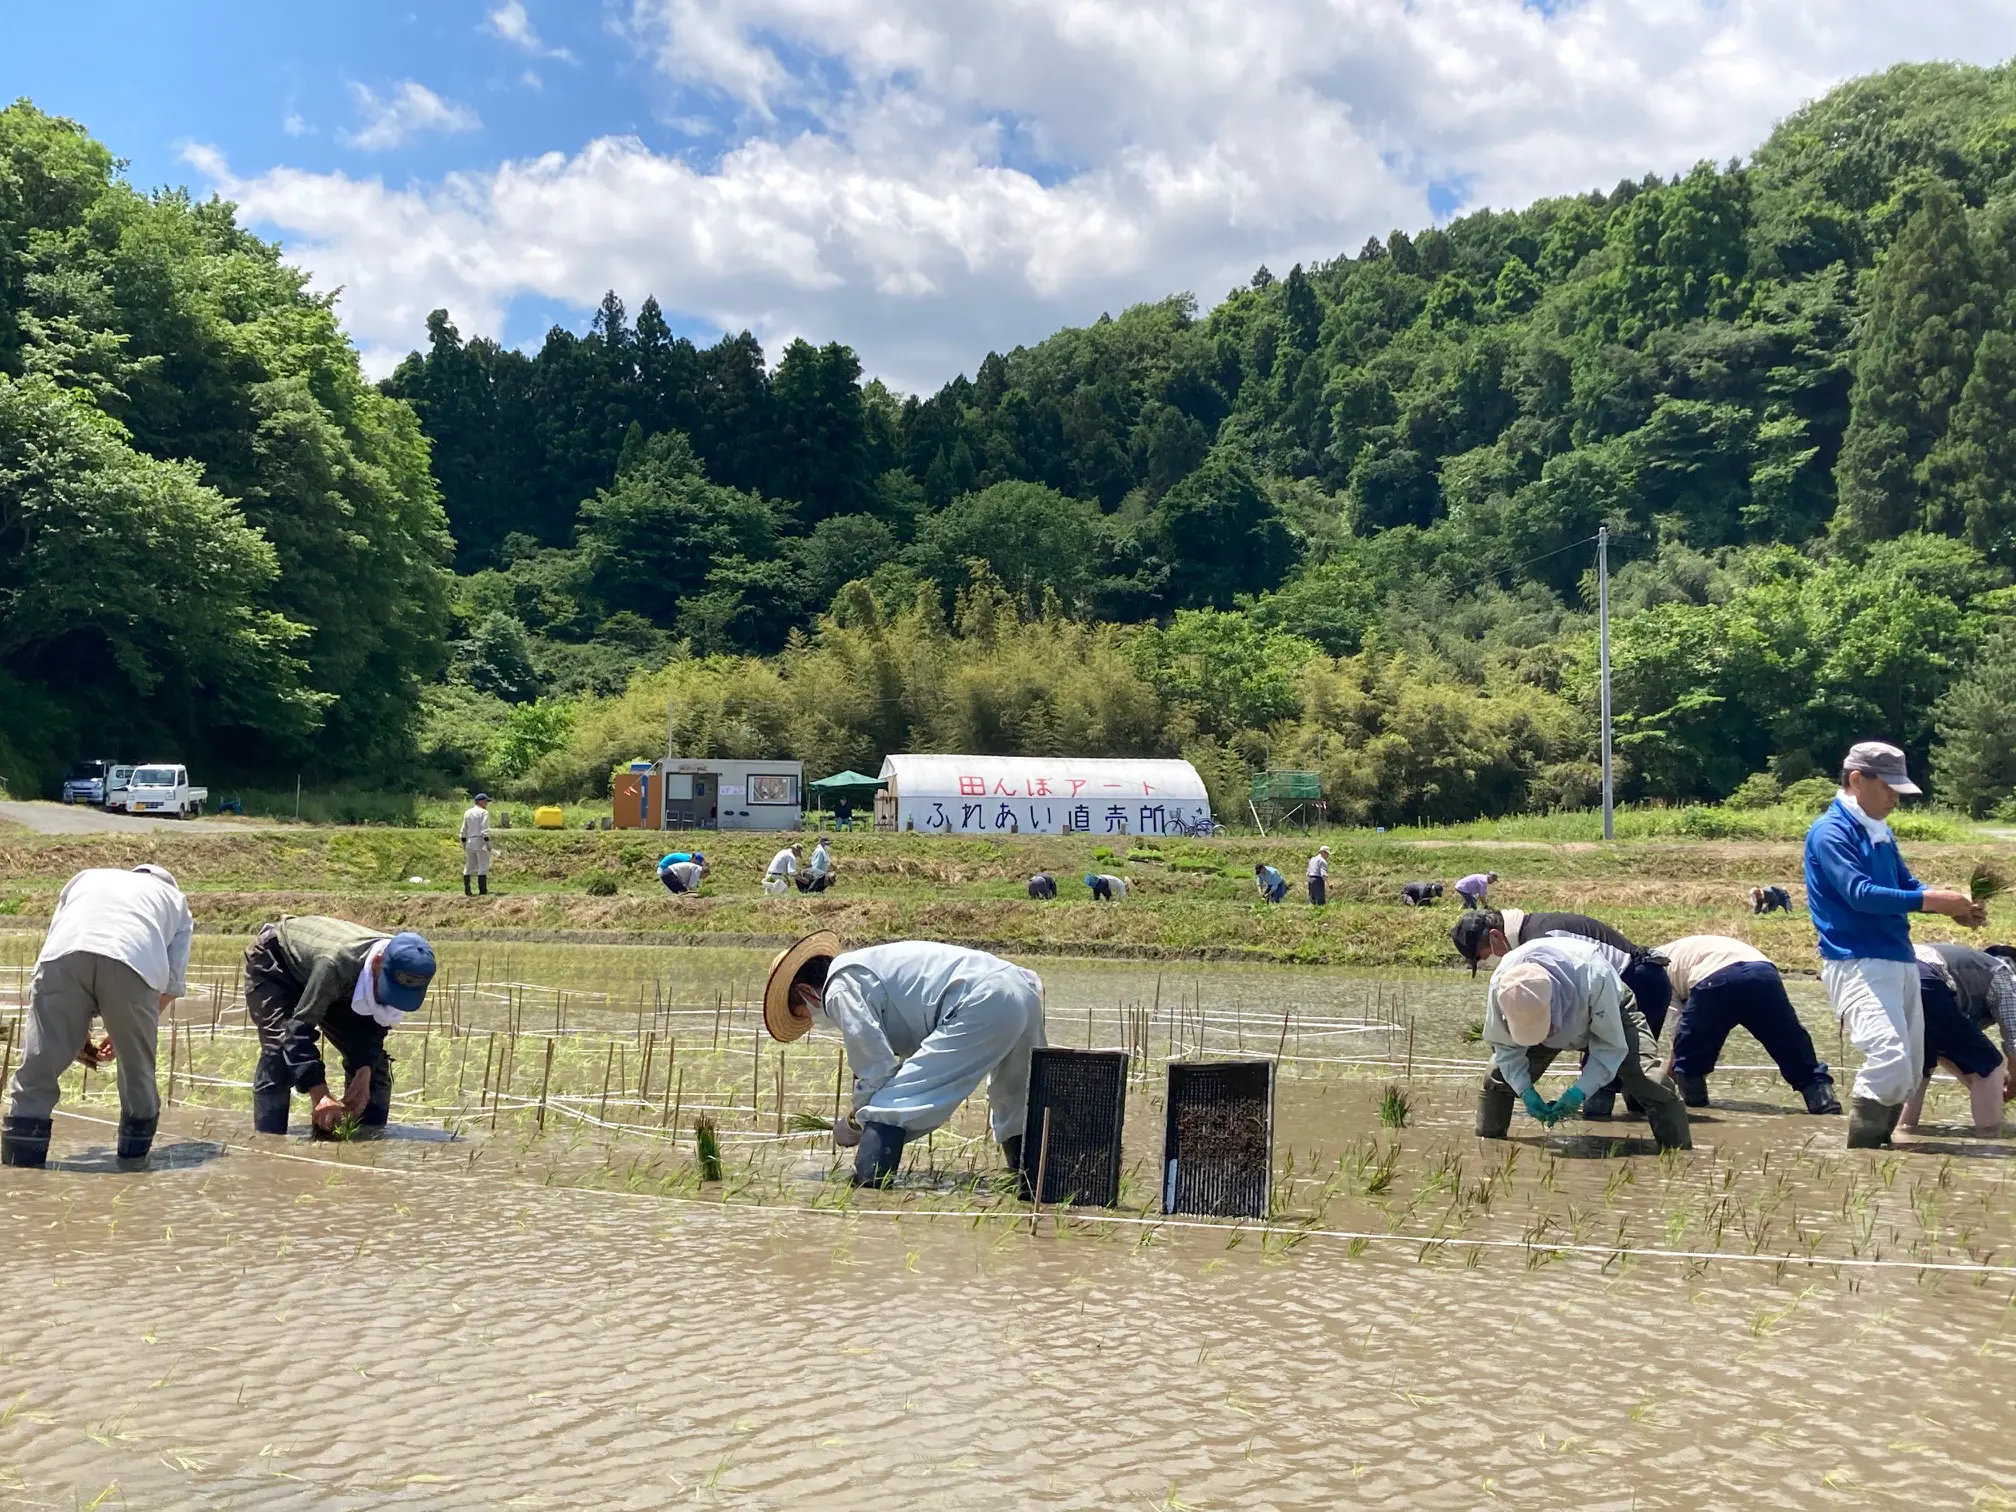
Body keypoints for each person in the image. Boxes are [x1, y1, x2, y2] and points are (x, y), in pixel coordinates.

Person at [1804, 741, 1983, 1148]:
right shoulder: (1831, 832)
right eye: (1889, 789)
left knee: (1908, 1071)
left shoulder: (1878, 831)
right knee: (1887, 1059)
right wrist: (1930, 900)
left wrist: (1951, 907)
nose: (1895, 799)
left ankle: (1876, 1151)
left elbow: (1905, 885)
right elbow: (1859, 893)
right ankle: (1862, 1158)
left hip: (1898, 959)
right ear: (1856, 779)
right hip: (1857, 961)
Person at [762, 932, 1047, 1186]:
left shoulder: (839, 987)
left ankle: (868, 1191)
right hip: (1021, 988)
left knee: (891, 1106)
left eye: (802, 1014)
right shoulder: (865, 968)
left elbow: (876, 1069)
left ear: (806, 992)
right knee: (1020, 1099)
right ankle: (1034, 1185)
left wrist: (857, 1123)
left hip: (979, 999)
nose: (812, 1020)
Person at [2, 865, 192, 1170]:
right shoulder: (175, 900)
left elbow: (61, 939)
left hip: (62, 959)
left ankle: (21, 1173)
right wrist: (123, 1034)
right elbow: (169, 987)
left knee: (38, 1066)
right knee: (137, 1072)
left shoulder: (86, 877)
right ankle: (132, 1170)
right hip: (134, 963)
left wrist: (77, 1031)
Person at [1452, 906, 1673, 1119]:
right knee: (1502, 1072)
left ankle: (1648, 1137)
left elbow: (1597, 1035)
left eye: (1483, 957)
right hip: (1595, 994)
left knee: (1630, 1078)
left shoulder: (1543, 942)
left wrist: (1577, 1092)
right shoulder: (1524, 954)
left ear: (1496, 937)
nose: (1488, 963)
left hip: (1638, 981)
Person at [1476, 934, 1691, 1152]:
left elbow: (1610, 1048)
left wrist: (1578, 1093)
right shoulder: (1502, 984)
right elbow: (1504, 1046)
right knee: (1497, 1075)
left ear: (1553, 1004)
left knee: (1650, 1078)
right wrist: (1525, 1091)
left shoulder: (1594, 975)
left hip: (1610, 1007)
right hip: (1553, 1009)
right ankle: (1490, 1147)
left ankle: (1680, 1153)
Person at [243, 916, 436, 1136]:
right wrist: (320, 1093)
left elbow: (373, 1026)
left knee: (374, 1068)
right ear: (377, 963)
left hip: (339, 977)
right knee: (278, 1052)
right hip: (277, 962)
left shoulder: (407, 964)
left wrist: (363, 1073)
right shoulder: (335, 965)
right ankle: (269, 1142)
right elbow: (297, 1032)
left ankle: (368, 1140)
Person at [1656, 935, 1840, 1113]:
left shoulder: (1654, 972)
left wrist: (1663, 1081)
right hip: (1763, 973)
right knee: (1790, 1043)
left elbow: (1679, 1032)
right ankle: (1824, 1102)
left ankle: (1695, 1110)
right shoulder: (1671, 953)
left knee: (1690, 1060)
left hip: (1715, 979)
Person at [1901, 942, 2016, 1135]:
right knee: (1990, 1067)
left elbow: (1946, 1045)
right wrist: (2011, 1088)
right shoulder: (2004, 973)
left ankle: (1902, 1131)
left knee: (1920, 1068)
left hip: (1888, 976)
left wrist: (1975, 1079)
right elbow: (2015, 1044)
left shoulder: (1967, 972)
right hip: (1925, 977)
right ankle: (1990, 1141)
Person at [460, 793, 492, 896]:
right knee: (483, 864)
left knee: (470, 864)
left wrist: (463, 842)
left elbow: (463, 829)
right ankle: (482, 890)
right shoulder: (484, 812)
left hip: (469, 840)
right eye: (485, 801)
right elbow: (484, 829)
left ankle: (467, 890)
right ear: (480, 801)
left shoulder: (467, 812)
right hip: (480, 840)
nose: (486, 803)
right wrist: (487, 842)